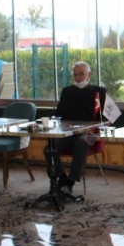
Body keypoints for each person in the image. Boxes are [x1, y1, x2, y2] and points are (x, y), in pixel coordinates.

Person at [48, 61, 106, 194]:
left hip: (89, 132)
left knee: (81, 143)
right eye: (75, 74)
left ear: (89, 74)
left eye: (81, 74)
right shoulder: (67, 91)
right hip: (68, 131)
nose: (78, 77)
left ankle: (71, 181)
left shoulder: (99, 92)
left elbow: (105, 116)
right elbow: (59, 114)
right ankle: (62, 177)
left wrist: (95, 126)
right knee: (49, 149)